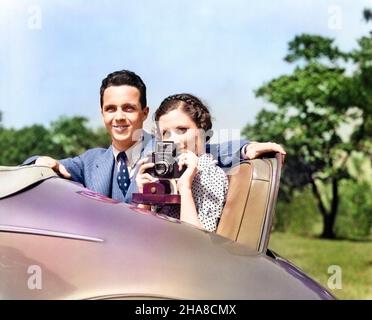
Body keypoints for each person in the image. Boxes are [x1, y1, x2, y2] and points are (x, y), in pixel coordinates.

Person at [23, 70, 286, 204]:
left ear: (144, 113)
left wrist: (246, 148)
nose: (119, 117)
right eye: (110, 109)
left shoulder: (165, 149)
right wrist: (43, 161)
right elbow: (47, 167)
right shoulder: (90, 162)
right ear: (102, 114)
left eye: (128, 108)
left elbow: (211, 150)